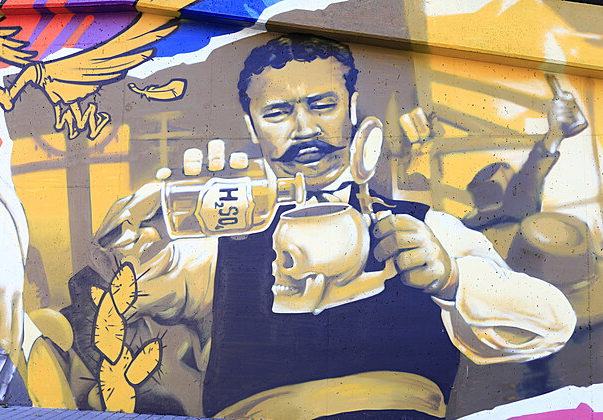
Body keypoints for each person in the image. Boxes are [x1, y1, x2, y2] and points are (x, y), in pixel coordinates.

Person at [91, 34, 577, 419]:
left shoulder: (425, 228)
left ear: (352, 106)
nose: (305, 129)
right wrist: (140, 237)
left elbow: (553, 321)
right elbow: (140, 293)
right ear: (251, 125)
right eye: (278, 112)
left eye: (322, 104)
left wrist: (452, 279)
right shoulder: (215, 244)